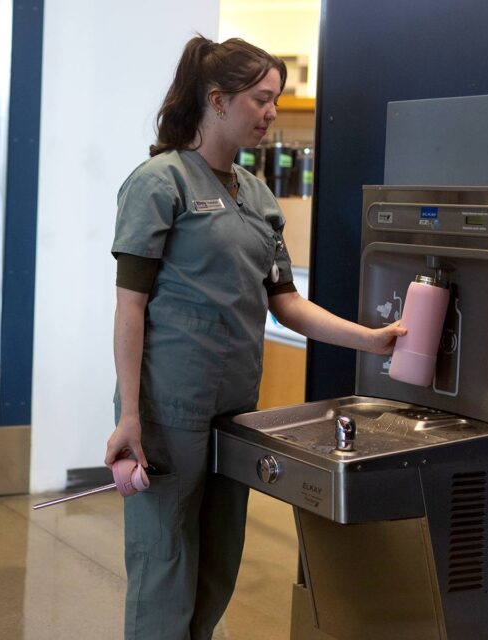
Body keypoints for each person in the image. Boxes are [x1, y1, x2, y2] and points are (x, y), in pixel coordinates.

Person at [105, 36, 407, 640]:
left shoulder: (261, 197)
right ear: (217, 101)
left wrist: (371, 341)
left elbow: (286, 304)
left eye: (276, 100)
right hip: (169, 408)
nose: (271, 113)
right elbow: (130, 307)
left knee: (219, 561)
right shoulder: (160, 182)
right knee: (164, 564)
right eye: (261, 99)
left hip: (236, 407)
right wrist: (130, 414)